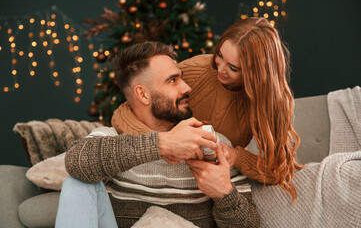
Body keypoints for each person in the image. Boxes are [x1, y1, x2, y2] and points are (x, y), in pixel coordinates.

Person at [56, 41, 260, 228]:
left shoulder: (212, 143)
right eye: (173, 80)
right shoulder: (111, 138)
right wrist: (164, 144)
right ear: (143, 94)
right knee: (77, 182)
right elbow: (75, 162)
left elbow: (250, 225)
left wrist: (225, 193)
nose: (187, 87)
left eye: (181, 78)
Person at [114, 17, 303, 200]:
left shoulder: (268, 103)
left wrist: (236, 156)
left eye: (233, 68)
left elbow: (279, 169)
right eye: (219, 55)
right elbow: (127, 109)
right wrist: (164, 143)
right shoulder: (199, 69)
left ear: (257, 73)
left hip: (209, 185)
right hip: (166, 168)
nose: (220, 69)